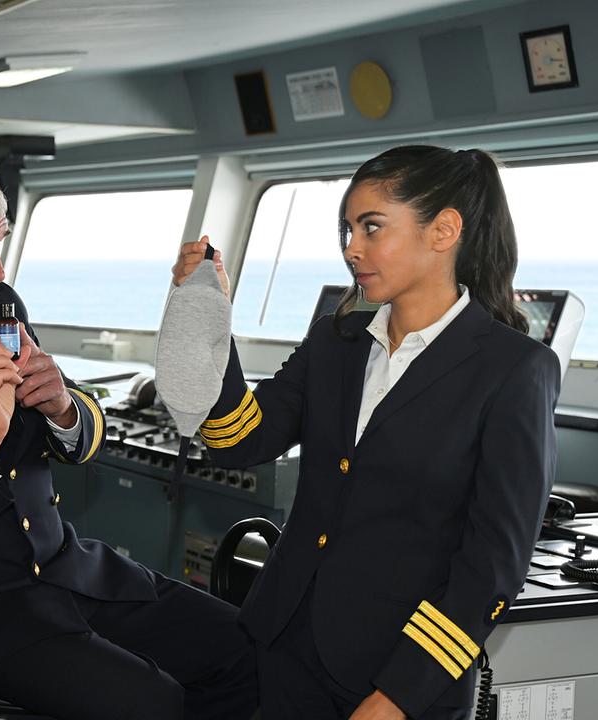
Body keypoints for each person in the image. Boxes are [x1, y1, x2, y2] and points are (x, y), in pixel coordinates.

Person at [0, 152, 258, 720]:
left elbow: (78, 436)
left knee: (246, 648)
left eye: (0, 242)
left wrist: (63, 407)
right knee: (153, 704)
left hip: (67, 568)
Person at [173, 145, 559, 720]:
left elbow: (492, 564)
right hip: (283, 645)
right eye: (347, 230)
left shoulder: (513, 369)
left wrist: (400, 695)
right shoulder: (338, 342)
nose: (352, 247)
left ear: (443, 230)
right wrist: (211, 315)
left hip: (396, 673)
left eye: (372, 227)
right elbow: (238, 438)